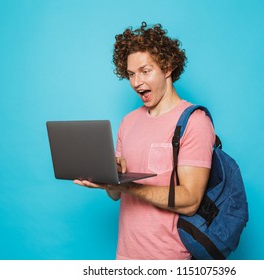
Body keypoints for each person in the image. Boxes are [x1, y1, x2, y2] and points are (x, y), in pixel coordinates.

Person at [74, 22, 215, 260]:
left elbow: (191, 200)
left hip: (170, 259)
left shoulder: (194, 121)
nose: (136, 82)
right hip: (126, 257)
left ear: (168, 67)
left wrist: (127, 186)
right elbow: (116, 196)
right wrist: (108, 177)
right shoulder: (128, 122)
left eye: (145, 71)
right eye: (131, 74)